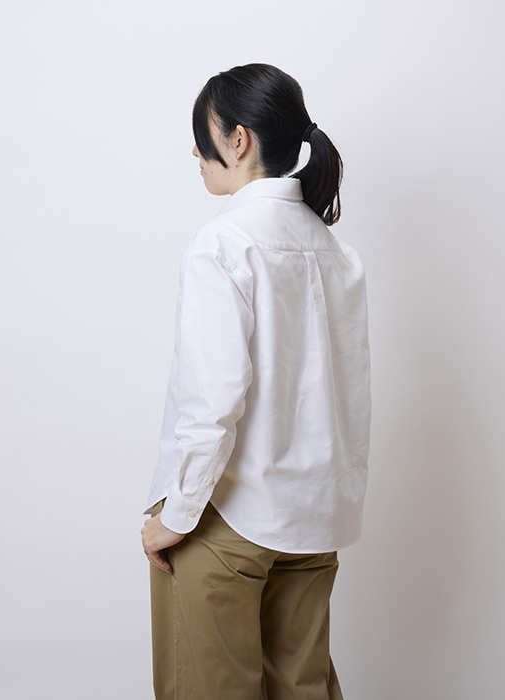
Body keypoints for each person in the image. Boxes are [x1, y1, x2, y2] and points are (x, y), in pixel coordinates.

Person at [141, 63, 371, 700]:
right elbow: (348, 395)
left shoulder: (223, 244)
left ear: (237, 140)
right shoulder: (338, 253)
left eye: (203, 137)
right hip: (314, 520)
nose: (195, 152)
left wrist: (177, 515)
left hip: (225, 518)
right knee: (303, 689)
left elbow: (211, 401)